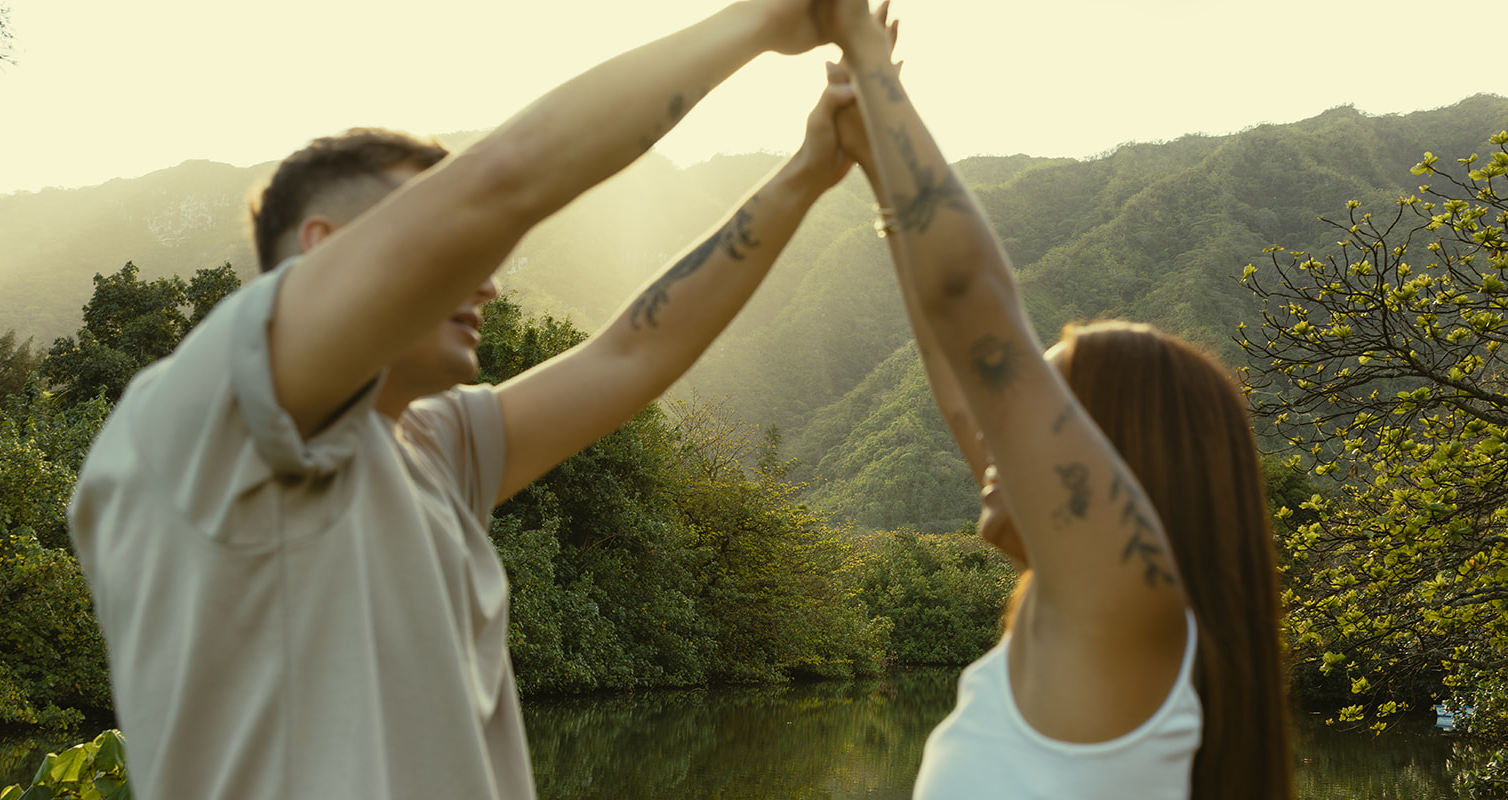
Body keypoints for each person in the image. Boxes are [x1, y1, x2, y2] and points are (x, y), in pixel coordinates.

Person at [66, 4, 858, 798]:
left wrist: (808, 171)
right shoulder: (213, 416)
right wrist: (767, 20)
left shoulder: (428, 449)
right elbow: (508, 178)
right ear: (326, 252)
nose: (488, 279)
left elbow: (633, 353)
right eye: (458, 245)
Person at [818, 2, 1293, 798]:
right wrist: (874, 159)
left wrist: (868, 55)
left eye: (1037, 422)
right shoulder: (1087, 619)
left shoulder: (1129, 611)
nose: (997, 440)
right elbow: (955, 361)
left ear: (1119, 467)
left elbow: (970, 304)